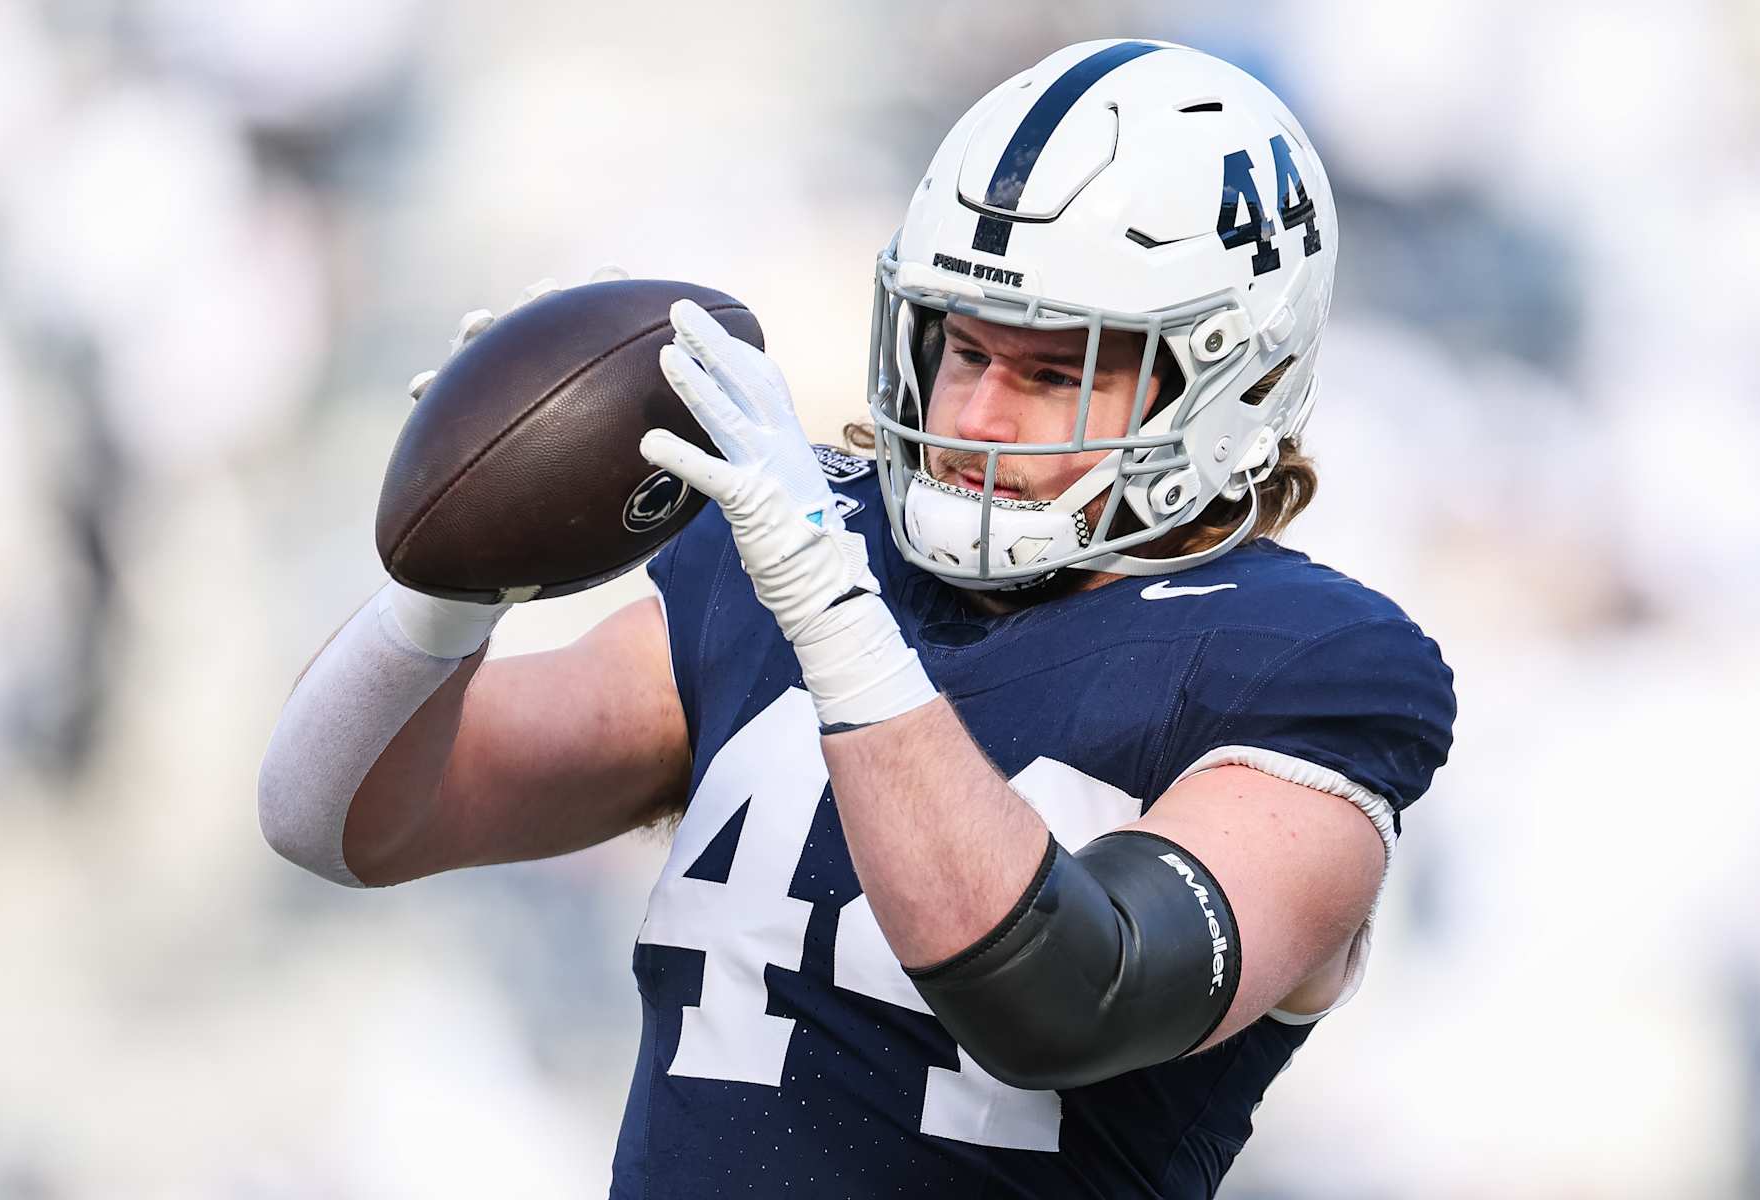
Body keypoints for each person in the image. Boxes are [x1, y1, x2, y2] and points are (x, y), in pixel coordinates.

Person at [259, 38, 1455, 1199]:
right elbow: (342, 820)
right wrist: (451, 577)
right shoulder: (805, 542)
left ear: (1231, 385)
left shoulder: (1312, 666)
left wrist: (835, 615)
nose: (977, 414)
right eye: (961, 349)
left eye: (1051, 372)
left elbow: (1071, 997)